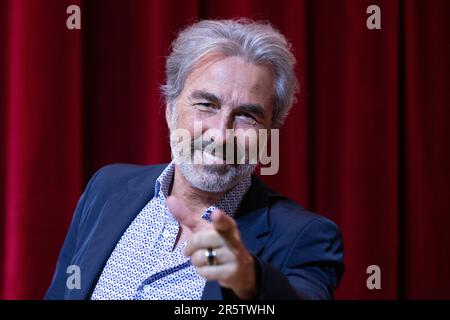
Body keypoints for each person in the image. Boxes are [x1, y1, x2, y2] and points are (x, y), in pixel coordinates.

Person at [45, 19, 344, 300]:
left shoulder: (306, 237)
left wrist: (249, 280)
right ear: (170, 110)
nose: (220, 134)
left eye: (246, 117)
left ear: (270, 133)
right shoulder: (107, 188)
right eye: (206, 105)